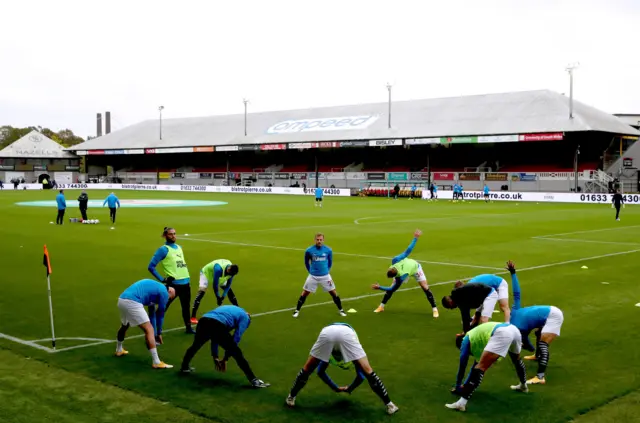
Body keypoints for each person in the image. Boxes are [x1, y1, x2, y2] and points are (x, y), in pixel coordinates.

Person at [285, 323, 399, 415]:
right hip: (346, 333)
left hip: (327, 333)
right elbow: (361, 376)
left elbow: (320, 372)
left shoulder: (328, 355)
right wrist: (349, 388)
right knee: (368, 371)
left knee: (307, 369)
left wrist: (336, 388)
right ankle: (390, 404)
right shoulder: (352, 357)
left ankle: (291, 397)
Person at [180, 305, 270, 388]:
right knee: (237, 354)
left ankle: (184, 367)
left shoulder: (233, 309)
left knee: (195, 346)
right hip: (217, 324)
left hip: (203, 321)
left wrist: (215, 356)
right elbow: (236, 337)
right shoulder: (245, 318)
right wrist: (225, 358)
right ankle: (254, 380)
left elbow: (214, 337)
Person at [446, 321, 528, 412]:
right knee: (516, 360)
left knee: (481, 367)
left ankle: (461, 404)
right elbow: (475, 365)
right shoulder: (477, 338)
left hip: (502, 333)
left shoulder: (466, 340)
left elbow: (463, 364)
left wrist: (458, 386)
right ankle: (523, 386)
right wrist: (465, 385)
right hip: (514, 330)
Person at [506, 260, 564, 385]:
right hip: (549, 310)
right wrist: (513, 273)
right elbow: (517, 293)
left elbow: (527, 344)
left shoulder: (518, 329)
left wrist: (523, 346)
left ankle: (540, 376)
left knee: (543, 343)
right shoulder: (515, 309)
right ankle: (537, 356)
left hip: (553, 316)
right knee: (539, 333)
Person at [371, 229, 439, 317]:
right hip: (408, 268)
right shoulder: (395, 260)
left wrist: (379, 287)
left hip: (415, 268)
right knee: (392, 286)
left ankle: (435, 309)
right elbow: (408, 251)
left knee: (425, 287)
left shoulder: (401, 277)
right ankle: (381, 307)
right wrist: (415, 238)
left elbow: (392, 289)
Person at [115, 279, 176, 369]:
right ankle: (156, 362)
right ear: (169, 291)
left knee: (124, 325)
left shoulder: (155, 289)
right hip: (133, 301)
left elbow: (152, 314)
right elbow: (160, 314)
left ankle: (119, 350)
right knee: (149, 330)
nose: (167, 300)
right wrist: (158, 333)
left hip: (122, 300)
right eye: (169, 298)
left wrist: (157, 333)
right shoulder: (163, 292)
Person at [148, 227, 194, 334]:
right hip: (173, 285)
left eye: (174, 234)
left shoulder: (179, 247)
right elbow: (151, 267)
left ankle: (188, 328)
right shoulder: (163, 250)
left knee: (186, 308)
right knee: (163, 307)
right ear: (165, 236)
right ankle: (151, 329)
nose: (173, 236)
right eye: (170, 234)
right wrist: (162, 279)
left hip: (186, 283)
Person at [292, 233, 346, 318]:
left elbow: (330, 262)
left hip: (325, 276)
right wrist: (310, 270)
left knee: (333, 292)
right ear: (315, 240)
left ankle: (341, 310)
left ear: (323, 240)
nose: (319, 241)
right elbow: (306, 262)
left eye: (321, 240)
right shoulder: (309, 250)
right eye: (317, 240)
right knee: (305, 293)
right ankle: (297, 310)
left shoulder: (328, 250)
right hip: (313, 276)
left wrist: (327, 271)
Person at [191, 259, 240, 324]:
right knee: (201, 292)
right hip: (206, 274)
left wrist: (223, 296)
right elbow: (215, 285)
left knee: (229, 291)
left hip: (220, 276)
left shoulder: (232, 272)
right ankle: (193, 317)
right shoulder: (218, 269)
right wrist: (218, 297)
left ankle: (239, 311)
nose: (231, 276)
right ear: (228, 269)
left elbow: (228, 284)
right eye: (230, 274)